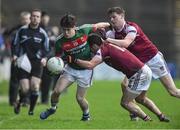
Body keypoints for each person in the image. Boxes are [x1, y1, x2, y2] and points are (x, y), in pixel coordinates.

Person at [69, 33, 169, 122]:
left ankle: (148, 120)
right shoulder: (108, 46)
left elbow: (90, 65)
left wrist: (74, 60)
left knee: (125, 103)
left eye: (90, 47)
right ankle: (161, 116)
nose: (90, 50)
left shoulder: (102, 50)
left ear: (95, 45)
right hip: (143, 70)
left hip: (139, 74)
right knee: (140, 99)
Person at [105, 6, 180, 120]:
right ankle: (134, 113)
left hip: (153, 59)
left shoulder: (131, 28)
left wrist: (107, 40)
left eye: (114, 17)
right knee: (124, 85)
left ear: (122, 16)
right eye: (110, 18)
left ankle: (135, 111)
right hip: (139, 64)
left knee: (173, 91)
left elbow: (126, 43)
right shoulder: (112, 33)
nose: (112, 20)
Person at [40, 14, 110, 121]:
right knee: (56, 92)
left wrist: (110, 24)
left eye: (68, 29)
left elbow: (98, 25)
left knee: (80, 98)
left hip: (86, 71)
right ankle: (53, 108)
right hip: (70, 69)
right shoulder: (60, 41)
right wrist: (54, 67)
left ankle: (86, 114)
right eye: (64, 30)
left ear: (74, 27)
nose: (66, 32)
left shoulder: (84, 30)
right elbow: (58, 58)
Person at [12, 9, 50, 115]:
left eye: (37, 16)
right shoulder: (22, 30)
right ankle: (19, 102)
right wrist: (15, 55)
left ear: (40, 18)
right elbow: (15, 44)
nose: (35, 18)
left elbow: (47, 49)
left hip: (37, 62)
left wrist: (44, 58)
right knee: (25, 89)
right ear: (30, 17)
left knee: (35, 86)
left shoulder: (43, 33)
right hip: (23, 61)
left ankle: (31, 110)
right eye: (33, 16)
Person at [8, 11, 31, 106]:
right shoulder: (15, 31)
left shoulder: (34, 31)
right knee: (15, 80)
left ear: (30, 20)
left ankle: (26, 100)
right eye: (23, 19)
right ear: (20, 20)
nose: (25, 21)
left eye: (27, 19)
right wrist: (14, 55)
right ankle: (12, 101)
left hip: (30, 60)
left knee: (28, 80)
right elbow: (13, 45)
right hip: (17, 58)